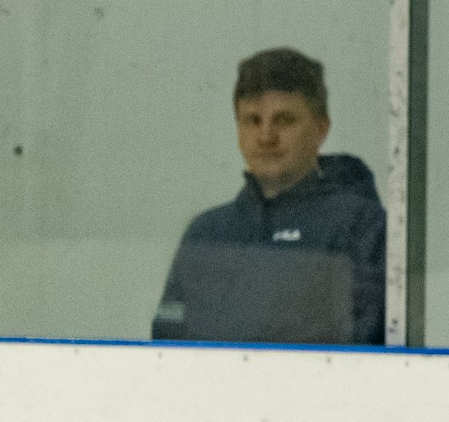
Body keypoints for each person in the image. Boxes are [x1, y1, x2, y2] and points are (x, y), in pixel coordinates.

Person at [152, 48, 385, 345]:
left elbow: (367, 349)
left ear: (321, 129)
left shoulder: (361, 226)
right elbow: (167, 345)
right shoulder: (206, 232)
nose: (266, 136)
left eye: (284, 120)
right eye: (252, 120)